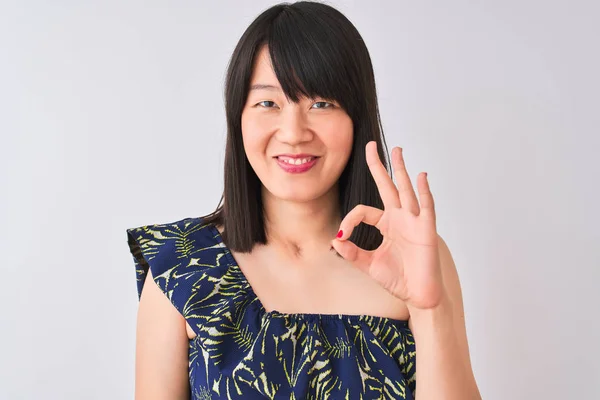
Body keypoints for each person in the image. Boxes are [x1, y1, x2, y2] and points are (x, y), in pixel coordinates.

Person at [126, 2, 481, 399]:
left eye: (321, 103)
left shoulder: (414, 257)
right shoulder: (181, 265)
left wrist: (431, 312)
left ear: (356, 117)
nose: (293, 132)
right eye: (268, 103)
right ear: (237, 116)